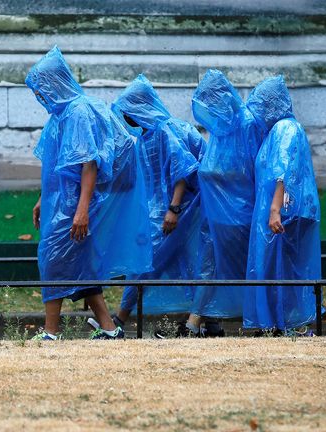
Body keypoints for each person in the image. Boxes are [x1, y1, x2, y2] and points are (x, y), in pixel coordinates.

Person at [25, 46, 151, 340]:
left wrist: (81, 209)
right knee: (81, 266)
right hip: (63, 202)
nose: (39, 96)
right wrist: (44, 198)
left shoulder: (78, 112)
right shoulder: (61, 114)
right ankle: (109, 329)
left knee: (54, 259)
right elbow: (58, 164)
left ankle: (51, 333)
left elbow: (89, 163)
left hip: (75, 204)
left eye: (41, 89)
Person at [109, 74, 211, 326]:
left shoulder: (164, 130)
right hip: (158, 213)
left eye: (129, 111)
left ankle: (120, 318)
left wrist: (173, 209)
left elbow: (181, 169)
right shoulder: (146, 136)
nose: (126, 118)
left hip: (176, 212)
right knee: (181, 262)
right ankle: (207, 321)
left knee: (145, 264)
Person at [184, 69, 264, 336]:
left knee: (239, 268)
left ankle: (261, 320)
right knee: (208, 265)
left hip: (240, 215)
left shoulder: (248, 125)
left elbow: (250, 169)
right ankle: (201, 323)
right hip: (216, 214)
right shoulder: (220, 130)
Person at [243, 76, 321, 335]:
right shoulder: (276, 131)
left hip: (284, 213)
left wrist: (275, 209)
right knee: (276, 267)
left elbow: (283, 170)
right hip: (279, 211)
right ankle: (279, 323)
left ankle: (292, 325)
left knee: (284, 269)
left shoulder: (285, 129)